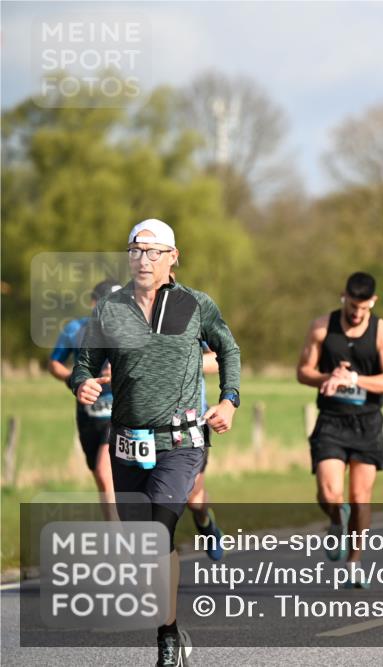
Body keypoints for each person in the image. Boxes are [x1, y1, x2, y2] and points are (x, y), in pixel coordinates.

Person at [72, 218, 241, 667]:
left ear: (173, 257)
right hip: (127, 442)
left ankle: (165, 640)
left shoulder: (195, 304)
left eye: (152, 251)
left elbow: (228, 349)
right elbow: (84, 362)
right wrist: (82, 382)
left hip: (181, 442)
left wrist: (229, 401)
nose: (142, 259)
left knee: (158, 530)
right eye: (135, 250)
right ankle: (172, 628)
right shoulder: (110, 310)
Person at [296, 272, 383, 589]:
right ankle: (335, 520)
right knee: (329, 493)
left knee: (360, 498)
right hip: (331, 419)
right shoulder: (321, 328)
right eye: (353, 305)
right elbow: (303, 372)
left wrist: (353, 380)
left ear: (373, 301)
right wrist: (328, 377)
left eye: (363, 307)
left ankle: (354, 562)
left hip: (367, 422)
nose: (357, 313)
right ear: (344, 297)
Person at [48, 279, 121, 515]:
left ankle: (120, 535)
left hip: (121, 415)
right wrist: (74, 379)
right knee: (102, 479)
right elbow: (54, 363)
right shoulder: (75, 330)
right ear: (94, 303)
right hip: (88, 415)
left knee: (104, 471)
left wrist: (120, 373)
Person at [187, 342, 225, 560]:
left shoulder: (195, 321)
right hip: (145, 425)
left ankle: (206, 525)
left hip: (191, 424)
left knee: (193, 499)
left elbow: (220, 358)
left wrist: (177, 360)